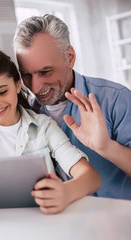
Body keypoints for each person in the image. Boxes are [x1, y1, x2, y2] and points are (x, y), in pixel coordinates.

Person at [0, 49, 101, 214]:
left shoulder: (43, 126)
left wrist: (66, 192)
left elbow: (91, 178)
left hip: (42, 222)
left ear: (18, 85)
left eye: (2, 92)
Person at [13, 14, 131, 200]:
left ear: (69, 58)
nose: (35, 88)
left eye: (45, 72)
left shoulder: (116, 99)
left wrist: (107, 147)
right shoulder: (26, 113)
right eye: (27, 75)